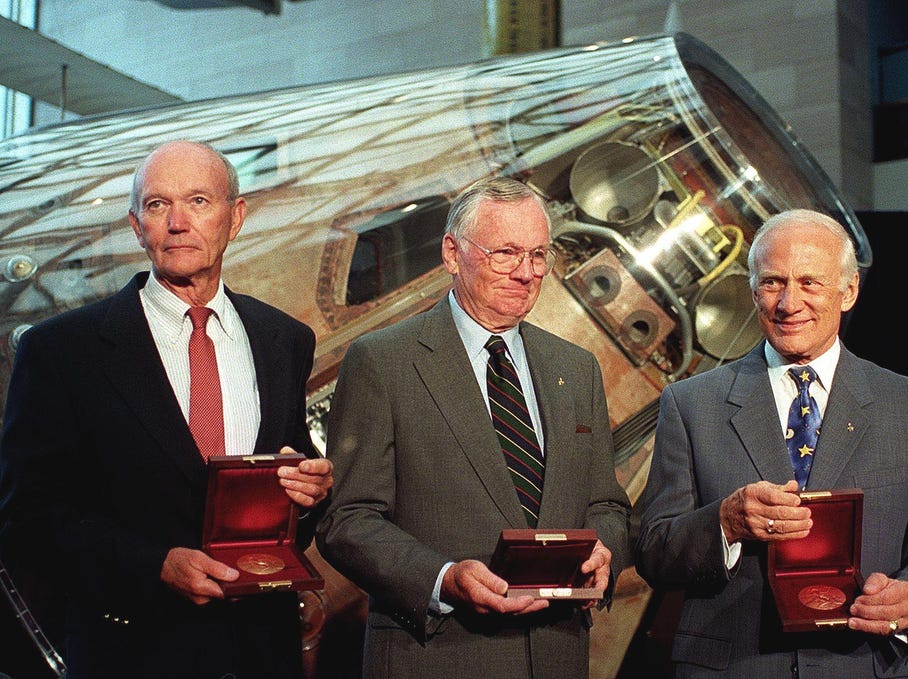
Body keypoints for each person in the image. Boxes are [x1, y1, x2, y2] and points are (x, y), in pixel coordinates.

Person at [0, 140, 334, 679]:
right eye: (158, 205)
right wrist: (155, 565)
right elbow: (25, 521)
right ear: (137, 226)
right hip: (130, 652)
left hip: (261, 653)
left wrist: (309, 495)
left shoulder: (283, 339)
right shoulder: (63, 350)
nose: (178, 222)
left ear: (236, 216)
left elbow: (286, 511)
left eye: (199, 201)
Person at [315, 175, 631, 678]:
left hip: (556, 657)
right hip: (438, 656)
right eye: (504, 253)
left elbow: (607, 504)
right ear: (451, 253)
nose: (525, 273)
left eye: (537, 256)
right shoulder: (383, 361)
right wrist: (442, 579)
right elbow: (347, 520)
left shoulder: (576, 366)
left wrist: (603, 548)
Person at [635, 208, 908, 677]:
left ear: (849, 292)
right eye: (772, 282)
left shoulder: (901, 403)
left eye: (809, 283)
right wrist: (724, 523)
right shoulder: (690, 403)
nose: (788, 303)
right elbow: (653, 549)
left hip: (863, 664)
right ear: (752, 290)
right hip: (732, 666)